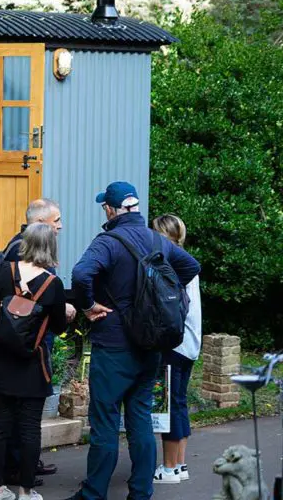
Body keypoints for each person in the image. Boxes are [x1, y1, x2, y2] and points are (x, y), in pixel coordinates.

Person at [64, 182, 200, 500]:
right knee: (139, 417)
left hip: (113, 347)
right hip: (150, 346)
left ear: (110, 209)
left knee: (105, 421)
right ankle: (140, 492)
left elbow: (81, 274)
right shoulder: (157, 240)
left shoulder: (107, 242)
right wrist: (162, 296)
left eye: (104, 207)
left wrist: (87, 306)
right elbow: (191, 267)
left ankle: (94, 493)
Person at [0, 223, 76, 500]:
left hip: (1, 363)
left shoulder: (4, 271)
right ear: (50, 248)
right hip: (33, 366)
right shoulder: (53, 284)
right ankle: (26, 490)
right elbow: (58, 327)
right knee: (29, 429)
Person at [1, 199, 64, 485]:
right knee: (21, 411)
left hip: (29, 338)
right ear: (40, 223)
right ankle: (17, 467)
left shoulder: (18, 245)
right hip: (26, 342)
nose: (60, 226)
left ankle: (27, 462)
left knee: (24, 413)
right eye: (56, 220)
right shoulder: (19, 251)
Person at [151, 214, 202, 485]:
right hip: (189, 345)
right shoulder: (185, 260)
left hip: (174, 344)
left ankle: (169, 468)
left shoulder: (170, 263)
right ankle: (180, 464)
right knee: (179, 404)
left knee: (169, 406)